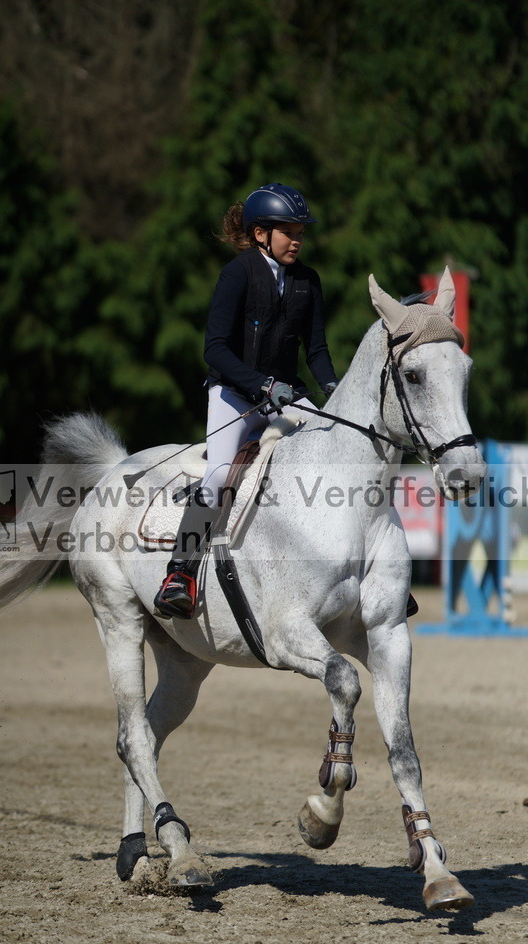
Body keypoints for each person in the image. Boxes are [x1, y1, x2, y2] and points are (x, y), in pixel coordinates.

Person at [153, 183, 339, 619]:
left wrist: (334, 390)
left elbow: (316, 352)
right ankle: (180, 573)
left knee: (339, 453)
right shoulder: (238, 273)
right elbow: (214, 349)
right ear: (261, 235)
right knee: (217, 477)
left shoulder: (308, 281)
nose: (297, 240)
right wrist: (260, 385)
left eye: (301, 233)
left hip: (286, 398)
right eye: (288, 232)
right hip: (235, 397)